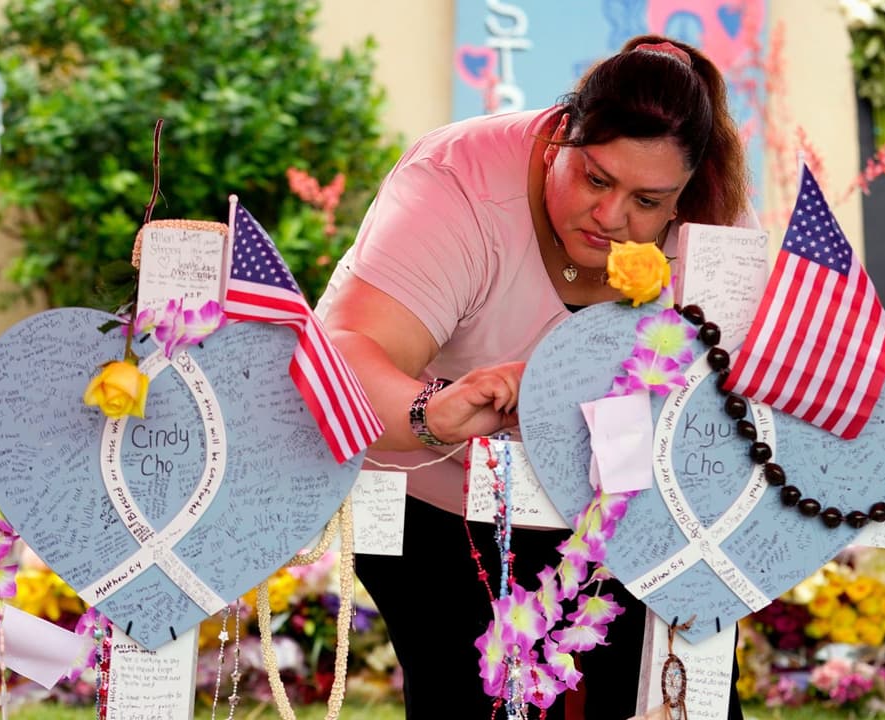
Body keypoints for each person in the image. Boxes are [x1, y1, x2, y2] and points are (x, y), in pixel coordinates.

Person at [317, 34, 753, 719]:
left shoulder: (712, 222)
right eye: (596, 178)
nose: (611, 218)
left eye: (647, 200)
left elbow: (729, 400)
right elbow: (348, 352)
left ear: (683, 197)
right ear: (558, 139)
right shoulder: (457, 180)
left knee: (677, 691)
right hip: (440, 503)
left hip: (625, 506)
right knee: (477, 694)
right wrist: (436, 412)